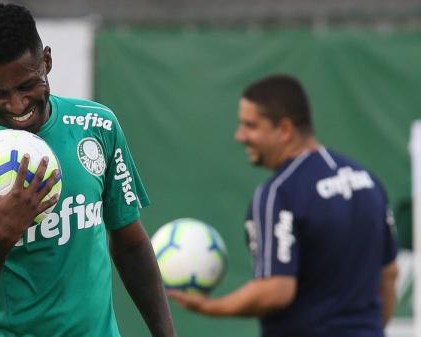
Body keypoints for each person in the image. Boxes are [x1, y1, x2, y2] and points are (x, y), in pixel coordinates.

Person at [0, 3, 175, 336]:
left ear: (46, 60)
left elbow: (130, 242)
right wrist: (1, 237)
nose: (17, 105)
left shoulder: (96, 126)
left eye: (27, 85)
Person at [169, 74, 399, 337]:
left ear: (285, 130)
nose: (239, 135)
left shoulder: (279, 193)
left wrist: (211, 307)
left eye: (250, 125)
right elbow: (390, 273)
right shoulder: (366, 180)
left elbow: (276, 290)